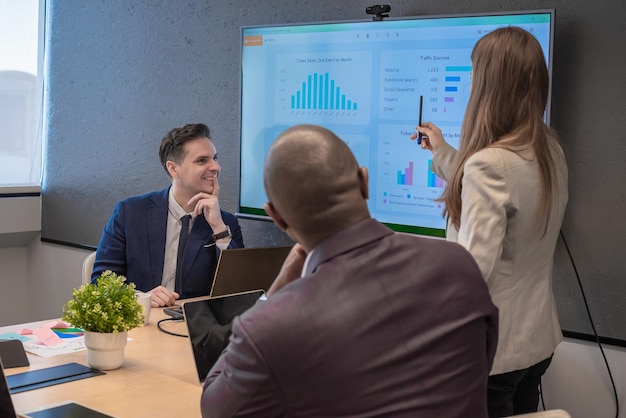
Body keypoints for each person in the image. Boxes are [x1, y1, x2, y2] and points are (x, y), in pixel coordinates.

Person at [200, 124, 498, 417]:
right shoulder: (458, 265)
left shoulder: (270, 326)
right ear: (364, 181)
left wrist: (272, 296)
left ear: (276, 216)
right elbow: (482, 361)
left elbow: (216, 408)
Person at [412, 27, 568, 417]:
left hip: (493, 353)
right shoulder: (548, 148)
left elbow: (470, 276)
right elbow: (506, 187)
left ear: (489, 85)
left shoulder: (489, 164)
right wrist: (445, 152)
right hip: (535, 341)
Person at [92, 123, 244, 307]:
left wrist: (219, 230)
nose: (216, 167)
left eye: (215, 158)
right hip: (142, 324)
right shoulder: (130, 213)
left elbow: (240, 291)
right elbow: (101, 283)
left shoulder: (225, 222)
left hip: (193, 327)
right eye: (202, 161)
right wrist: (140, 298)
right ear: (173, 169)